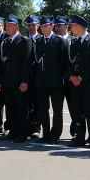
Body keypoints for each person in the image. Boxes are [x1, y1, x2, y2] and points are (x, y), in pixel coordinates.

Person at [66, 14, 90, 147]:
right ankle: (79, 137)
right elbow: (68, 62)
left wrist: (80, 77)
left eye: (72, 26)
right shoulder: (74, 42)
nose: (71, 28)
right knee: (77, 112)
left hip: (89, 83)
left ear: (78, 26)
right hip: (75, 83)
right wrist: (71, 76)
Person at [0, 16, 32, 143]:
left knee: (21, 109)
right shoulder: (6, 42)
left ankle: (22, 133)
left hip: (19, 82)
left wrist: (25, 81)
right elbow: (2, 63)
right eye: (6, 24)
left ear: (17, 26)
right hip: (7, 82)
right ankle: (13, 131)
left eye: (10, 25)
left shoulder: (24, 41)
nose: (7, 27)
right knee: (10, 109)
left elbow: (26, 63)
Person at [32, 16, 66, 144]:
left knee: (57, 109)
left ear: (51, 26)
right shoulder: (38, 41)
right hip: (41, 81)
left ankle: (55, 135)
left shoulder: (59, 41)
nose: (43, 28)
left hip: (56, 81)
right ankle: (46, 134)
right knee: (42, 109)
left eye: (45, 26)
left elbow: (64, 62)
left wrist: (62, 77)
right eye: (41, 26)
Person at [25, 16, 41, 138]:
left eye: (33, 25)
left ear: (38, 26)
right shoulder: (24, 40)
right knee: (27, 104)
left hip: (39, 77)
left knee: (37, 104)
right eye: (29, 25)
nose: (31, 27)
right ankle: (28, 127)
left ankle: (36, 128)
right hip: (26, 77)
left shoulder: (41, 39)